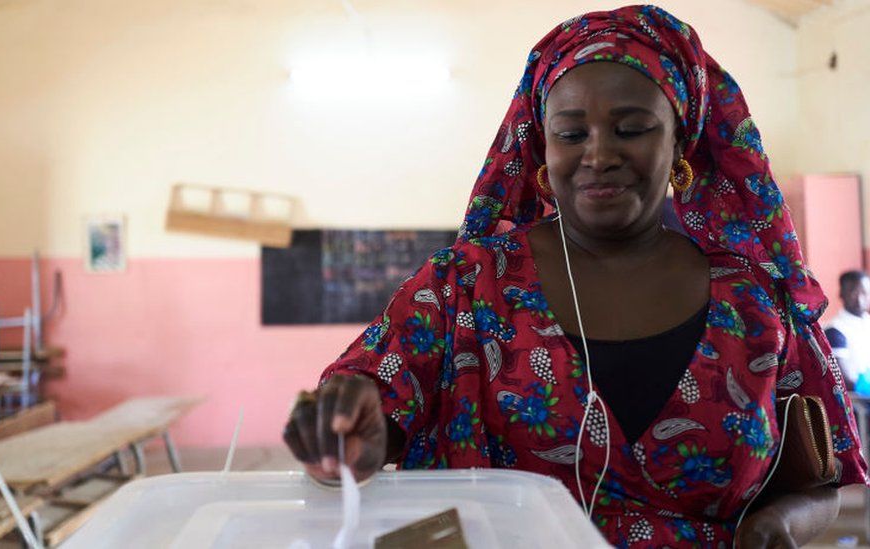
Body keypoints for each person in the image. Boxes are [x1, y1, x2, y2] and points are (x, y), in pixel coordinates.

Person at [283, 5, 868, 547]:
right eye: (570, 133)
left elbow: (821, 477)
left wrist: (780, 524)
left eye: (632, 128)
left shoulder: (755, 304)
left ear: (680, 138)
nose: (599, 154)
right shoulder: (465, 288)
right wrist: (344, 435)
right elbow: (367, 419)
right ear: (543, 146)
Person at [826, 270, 870, 390]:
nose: (860, 299)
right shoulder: (835, 330)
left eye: (865, 293)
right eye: (854, 293)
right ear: (841, 294)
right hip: (857, 402)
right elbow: (844, 378)